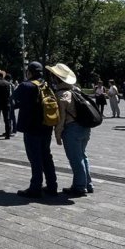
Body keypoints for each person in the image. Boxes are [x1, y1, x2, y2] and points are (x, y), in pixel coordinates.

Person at [46, 63, 93, 196]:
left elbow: (61, 119)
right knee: (83, 156)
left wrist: (58, 135)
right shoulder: (76, 90)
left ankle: (79, 186)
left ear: (57, 79)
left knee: (75, 159)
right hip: (85, 128)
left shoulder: (61, 95)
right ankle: (87, 184)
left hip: (72, 129)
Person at [14, 61, 58, 199]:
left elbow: (13, 99)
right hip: (47, 126)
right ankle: (52, 186)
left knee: (35, 158)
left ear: (30, 72)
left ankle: (35, 188)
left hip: (32, 128)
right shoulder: (47, 85)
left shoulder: (26, 86)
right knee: (46, 156)